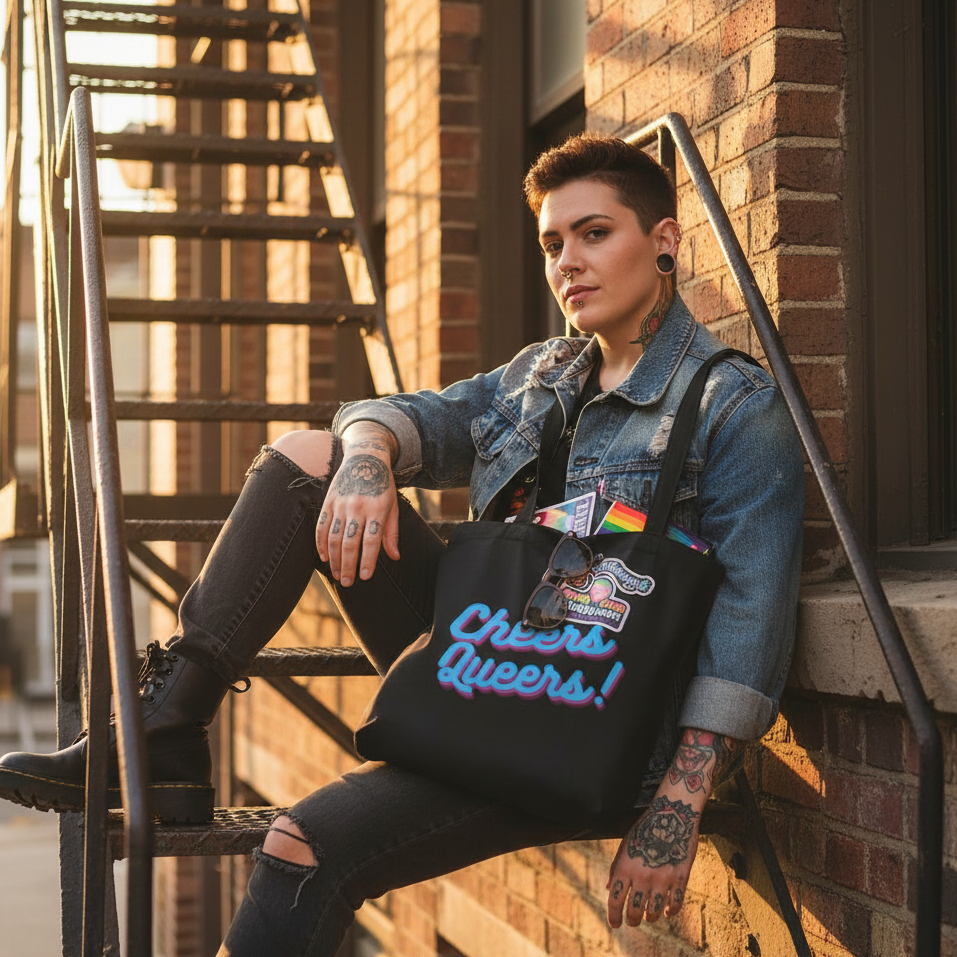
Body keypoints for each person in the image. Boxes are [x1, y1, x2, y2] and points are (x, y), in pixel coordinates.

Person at [0, 132, 804, 954]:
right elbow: (398, 413)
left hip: (607, 728)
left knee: (299, 845)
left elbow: (752, 620)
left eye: (594, 233)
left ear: (662, 240)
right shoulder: (543, 375)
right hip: (490, 666)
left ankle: (172, 734)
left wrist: (675, 801)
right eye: (553, 243)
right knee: (306, 457)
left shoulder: (733, 409)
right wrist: (367, 457)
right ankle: (170, 724)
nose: (568, 261)